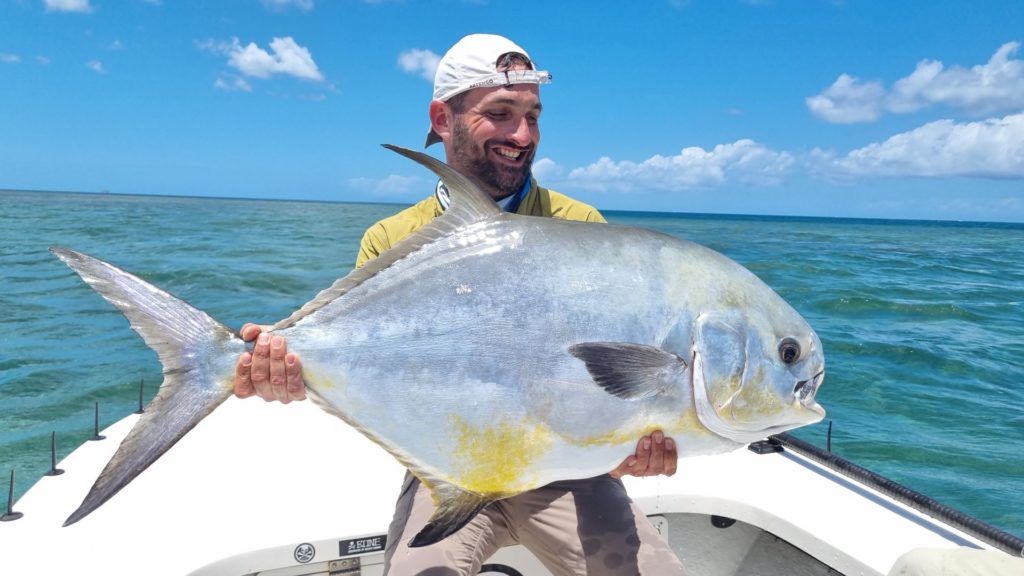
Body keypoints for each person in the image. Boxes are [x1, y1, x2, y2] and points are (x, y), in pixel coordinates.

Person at [233, 33, 687, 576]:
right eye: (500, 113)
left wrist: (638, 438)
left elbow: (607, 379)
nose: (523, 135)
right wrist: (285, 365)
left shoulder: (582, 228)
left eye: (533, 116)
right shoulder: (390, 239)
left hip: (566, 472)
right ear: (442, 119)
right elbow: (368, 366)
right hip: (445, 467)